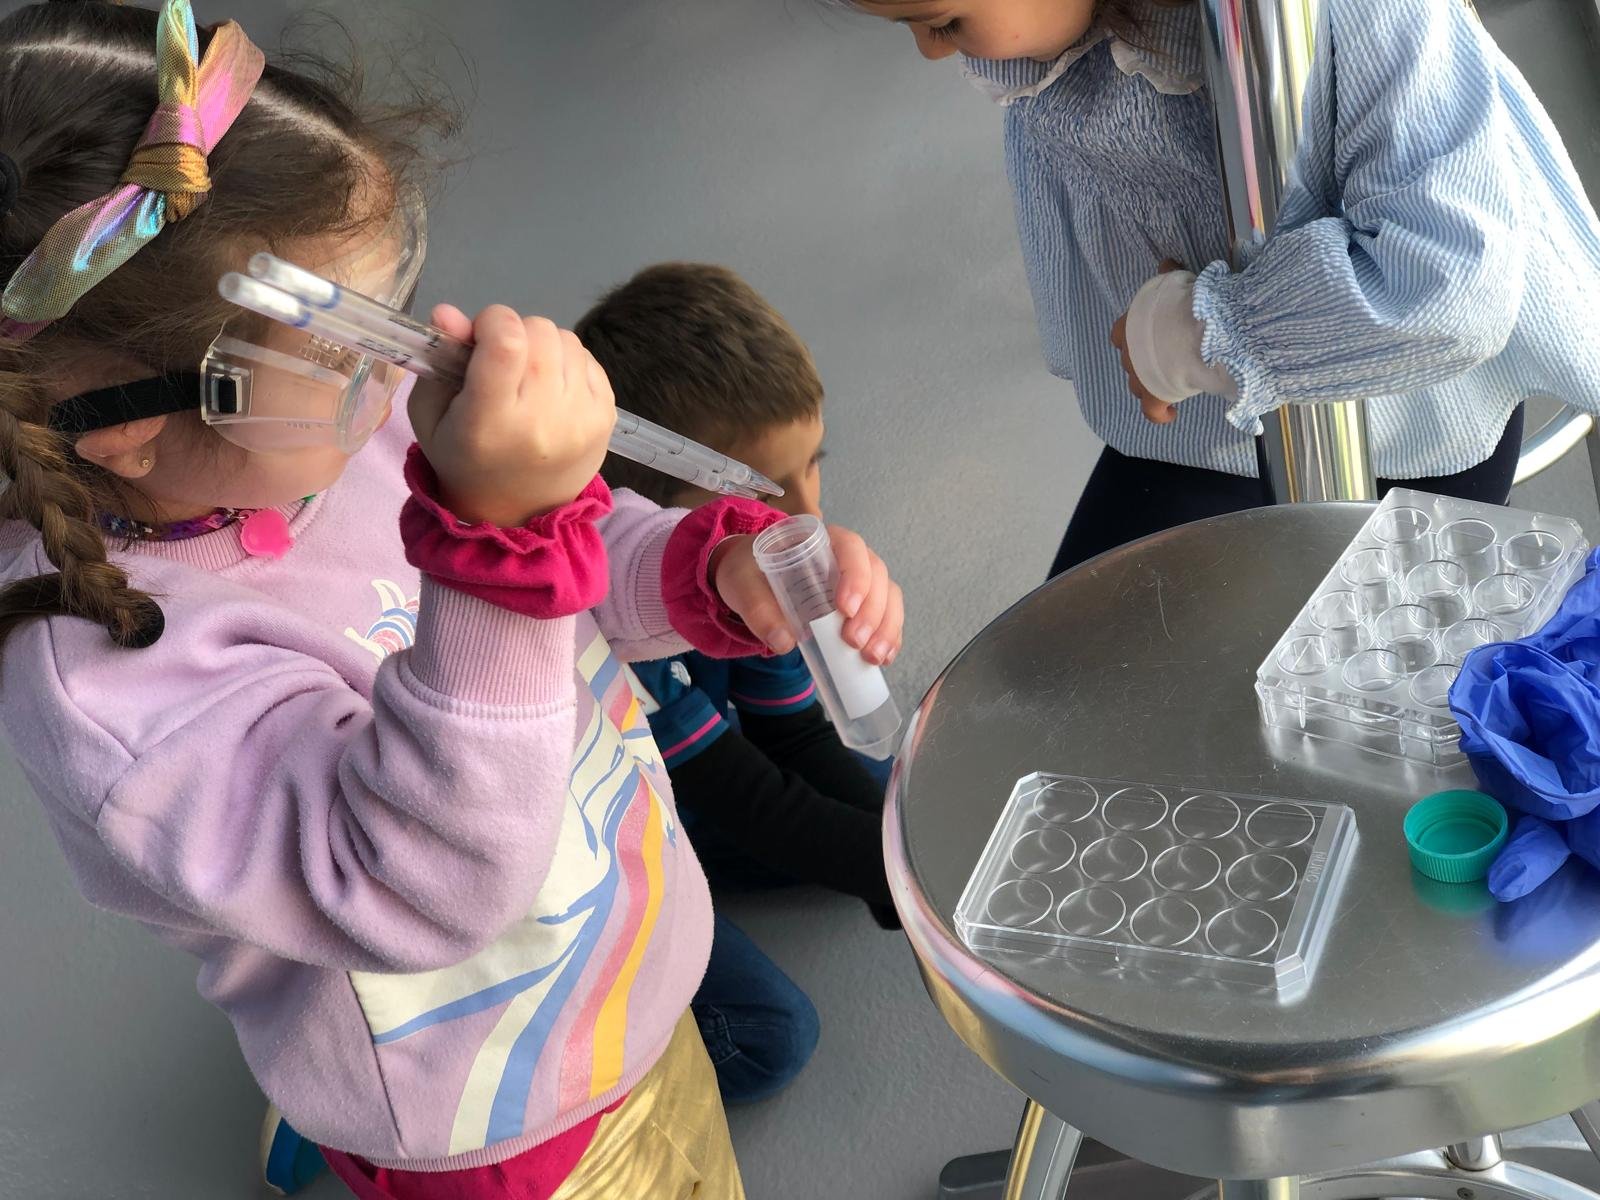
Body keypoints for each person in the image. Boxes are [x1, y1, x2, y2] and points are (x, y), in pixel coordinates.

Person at [0, 4, 905, 1198]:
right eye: (342, 346)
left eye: (393, 300)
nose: (404, 362)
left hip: (617, 978)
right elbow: (418, 883)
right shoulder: (111, 681)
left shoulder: (338, 441)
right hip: (486, 1118)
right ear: (127, 428)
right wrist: (499, 541)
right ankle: (321, 1114)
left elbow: (588, 564)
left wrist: (707, 574)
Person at [847, 0, 1600, 575]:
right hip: (1201, 429)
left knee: (1370, 695)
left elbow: (1447, 287)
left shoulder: (1364, 15)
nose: (929, 50)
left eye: (943, 21)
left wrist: (1187, 335)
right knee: (1078, 676)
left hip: (1407, 430)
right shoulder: (1049, 41)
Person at [574, 263, 902, 1106]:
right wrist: (906, 879)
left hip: (697, 783)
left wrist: (898, 858)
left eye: (812, 467)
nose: (805, 519)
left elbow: (794, 731)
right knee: (770, 1035)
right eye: (758, 494)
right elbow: (743, 794)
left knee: (886, 798)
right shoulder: (613, 621)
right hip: (613, 835)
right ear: (644, 511)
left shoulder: (762, 565)